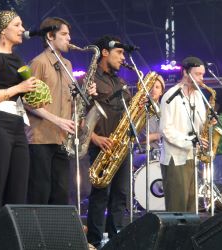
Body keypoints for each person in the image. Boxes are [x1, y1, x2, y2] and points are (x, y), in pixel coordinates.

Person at [26, 17, 96, 206]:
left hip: (62, 139)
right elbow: (26, 101)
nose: (69, 38)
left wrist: (85, 95)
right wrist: (57, 120)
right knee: (40, 191)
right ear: (50, 36)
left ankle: (56, 234)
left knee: (61, 193)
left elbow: (69, 101)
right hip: (40, 138)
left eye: (68, 34)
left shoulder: (68, 65)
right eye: (64, 34)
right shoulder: (38, 63)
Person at [0, 10, 36, 222]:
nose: (23, 29)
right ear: (3, 30)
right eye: (17, 25)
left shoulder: (17, 58)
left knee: (19, 186)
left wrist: (35, 93)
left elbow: (21, 94)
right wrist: (18, 87)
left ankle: (13, 237)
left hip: (16, 124)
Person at [86, 35, 131, 248]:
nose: (123, 58)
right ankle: (93, 242)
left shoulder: (120, 81)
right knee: (100, 196)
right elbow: (78, 114)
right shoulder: (89, 78)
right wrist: (94, 138)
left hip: (120, 146)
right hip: (100, 146)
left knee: (120, 196)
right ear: (105, 52)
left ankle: (116, 241)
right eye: (119, 53)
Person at [159, 56, 209, 212]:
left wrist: (208, 124)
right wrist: (190, 141)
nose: (202, 78)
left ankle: (189, 237)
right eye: (198, 74)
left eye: (203, 74)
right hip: (176, 158)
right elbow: (165, 130)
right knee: (177, 207)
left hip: (192, 156)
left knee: (191, 206)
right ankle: (174, 237)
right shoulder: (170, 96)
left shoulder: (198, 96)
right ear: (186, 73)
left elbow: (200, 124)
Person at [133, 75, 165, 168]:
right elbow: (133, 139)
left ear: (161, 92)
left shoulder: (165, 110)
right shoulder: (138, 110)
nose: (153, 89)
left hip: (160, 152)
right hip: (140, 153)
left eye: (157, 87)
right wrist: (154, 136)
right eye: (151, 86)